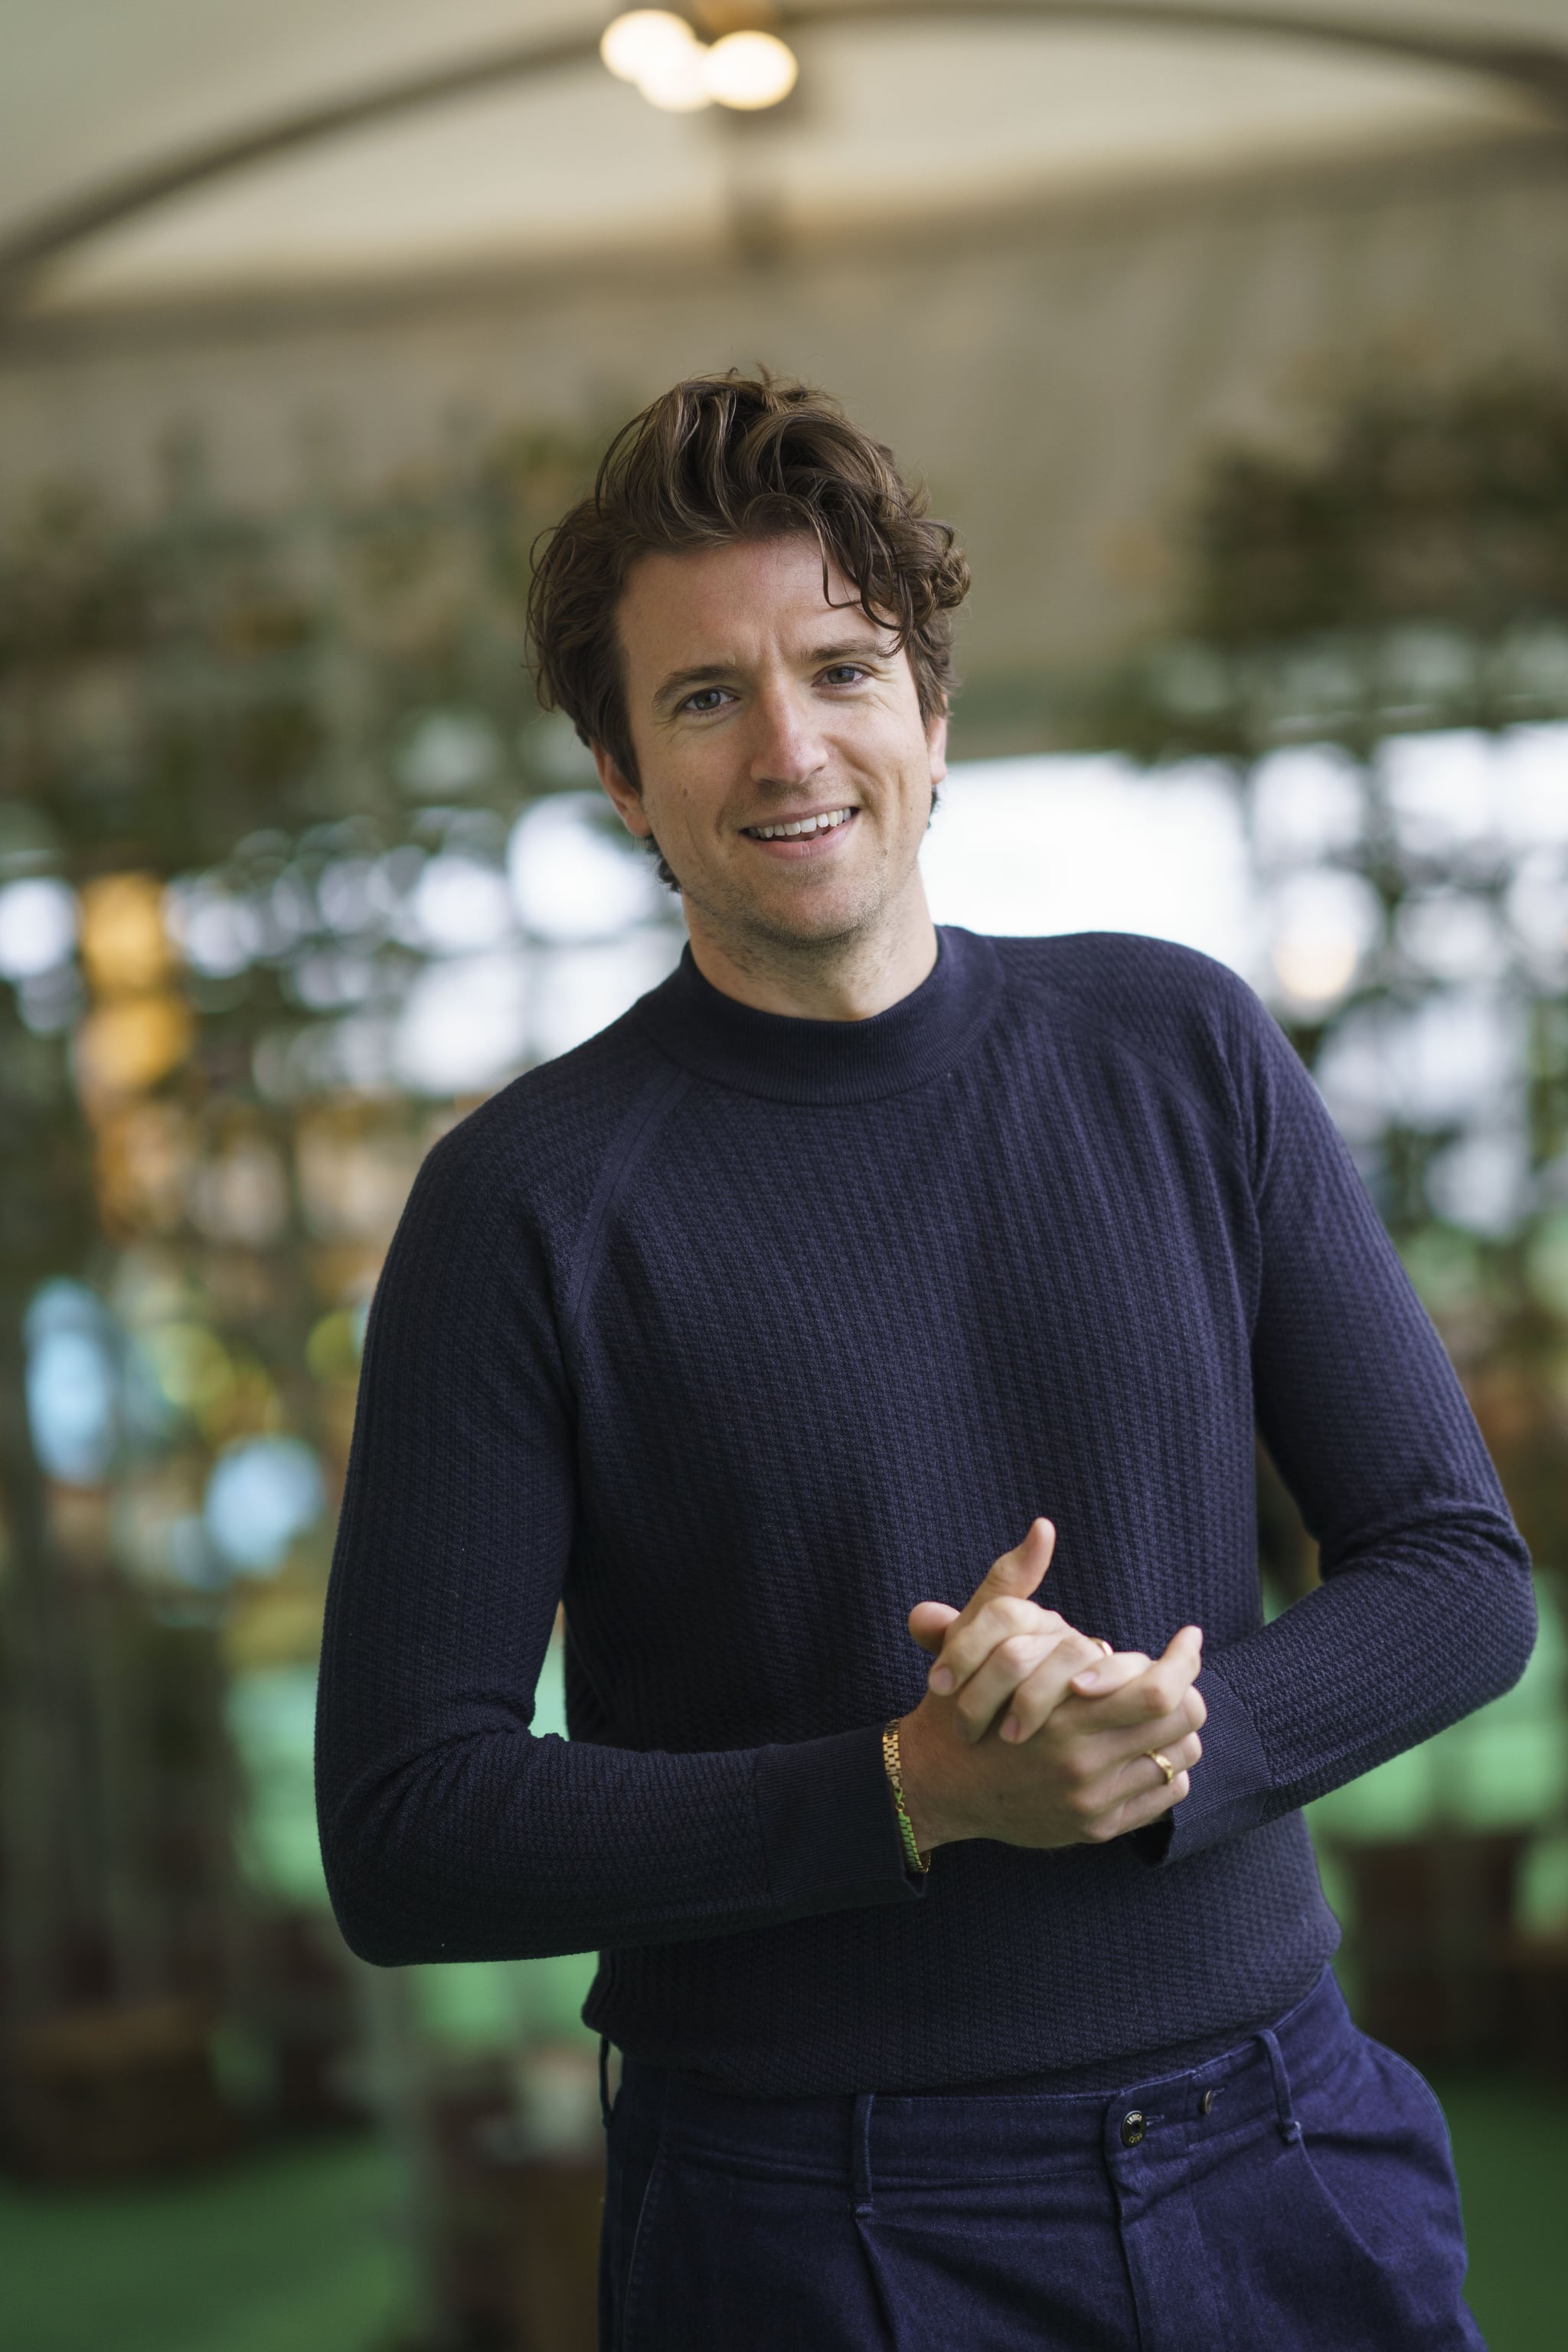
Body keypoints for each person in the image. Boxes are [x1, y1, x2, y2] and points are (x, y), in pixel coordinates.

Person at [315, 372, 1534, 2350]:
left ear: (935, 715)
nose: (789, 745)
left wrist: (1159, 1749)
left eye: (844, 667)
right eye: (704, 697)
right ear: (623, 776)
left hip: (1282, 2147)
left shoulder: (1185, 1054)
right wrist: (909, 1791)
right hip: (812, 2223)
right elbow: (404, 1827)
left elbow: (1459, 1575)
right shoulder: (521, 1205)